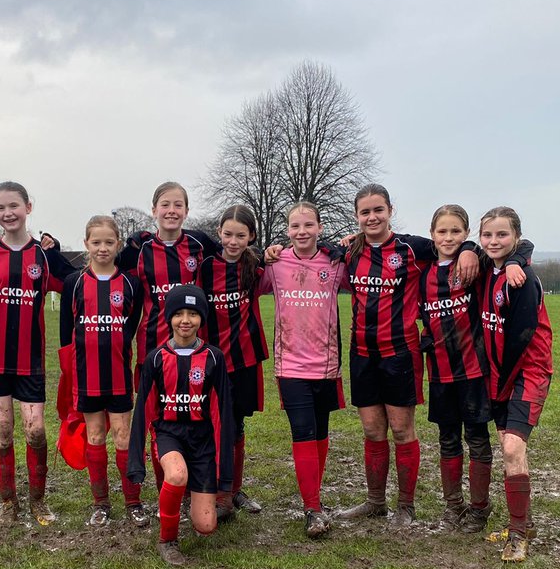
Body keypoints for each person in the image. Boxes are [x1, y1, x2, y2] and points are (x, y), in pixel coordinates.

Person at [337, 185, 478, 527]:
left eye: (378, 210)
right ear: (357, 216)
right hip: (361, 353)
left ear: (390, 210)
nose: (372, 217)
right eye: (365, 212)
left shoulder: (412, 248)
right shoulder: (350, 250)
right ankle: (374, 502)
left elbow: (452, 242)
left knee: (401, 430)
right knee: (372, 430)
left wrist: (471, 249)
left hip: (400, 353)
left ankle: (406, 506)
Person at [0, 181, 76, 525]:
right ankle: (7, 503)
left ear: (28, 207)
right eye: (0, 208)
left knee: (36, 430)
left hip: (30, 360)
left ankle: (38, 502)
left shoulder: (42, 256)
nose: (8, 213)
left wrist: (56, 252)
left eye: (14, 205)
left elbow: (75, 284)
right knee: (1, 428)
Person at [420, 204, 531, 533]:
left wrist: (510, 260)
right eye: (442, 231)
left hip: (473, 372)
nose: (449, 237)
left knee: (478, 440)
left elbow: (521, 246)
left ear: (467, 234)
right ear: (432, 235)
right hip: (440, 372)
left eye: (456, 231)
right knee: (448, 440)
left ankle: (479, 508)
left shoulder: (478, 264)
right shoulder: (424, 268)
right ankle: (453, 506)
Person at [117, 182, 221, 492]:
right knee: (158, 417)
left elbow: (234, 250)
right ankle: (169, 488)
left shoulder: (199, 247)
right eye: (165, 204)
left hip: (196, 349)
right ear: (154, 210)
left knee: (196, 413)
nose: (171, 210)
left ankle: (206, 486)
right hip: (153, 348)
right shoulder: (140, 250)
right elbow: (103, 264)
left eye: (178, 205)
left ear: (186, 211)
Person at [127, 285, 234, 566]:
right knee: (175, 475)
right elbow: (143, 412)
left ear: (202, 319)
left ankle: (195, 502)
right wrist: (135, 462)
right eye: (179, 314)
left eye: (193, 314)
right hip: (169, 433)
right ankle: (168, 541)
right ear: (169, 318)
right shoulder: (155, 359)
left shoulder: (213, 358)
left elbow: (222, 412)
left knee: (206, 526)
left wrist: (225, 470)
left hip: (202, 439)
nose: (185, 320)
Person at [259, 202, 346, 538]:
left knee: (321, 432)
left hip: (326, 365)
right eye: (295, 226)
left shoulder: (335, 262)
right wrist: (264, 253)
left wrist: (346, 245)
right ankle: (312, 509)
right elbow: (250, 281)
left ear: (320, 227)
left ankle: (315, 497)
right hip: (291, 365)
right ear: (287, 229)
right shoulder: (276, 263)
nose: (302, 232)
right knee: (303, 432)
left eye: (308, 225)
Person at [59, 215, 149, 527]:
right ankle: (101, 503)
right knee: (95, 435)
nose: (102, 248)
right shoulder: (74, 284)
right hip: (87, 378)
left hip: (119, 375)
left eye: (109, 242)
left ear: (118, 245)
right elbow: (65, 336)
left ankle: (134, 502)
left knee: (123, 436)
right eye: (96, 242)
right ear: (86, 244)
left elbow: (132, 323)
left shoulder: (129, 284)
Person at [478, 206, 553, 563]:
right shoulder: (485, 268)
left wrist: (519, 261)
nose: (494, 241)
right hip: (498, 372)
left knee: (511, 447)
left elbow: (522, 335)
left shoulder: (521, 279)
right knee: (508, 448)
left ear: (517, 238)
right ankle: (523, 522)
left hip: (526, 371)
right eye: (488, 235)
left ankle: (519, 534)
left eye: (502, 235)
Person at [199, 204, 269, 521]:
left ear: (251, 236)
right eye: (228, 234)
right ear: (219, 233)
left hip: (244, 360)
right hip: (211, 361)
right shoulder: (204, 268)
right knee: (212, 425)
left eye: (241, 235)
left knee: (236, 425)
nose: (233, 241)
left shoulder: (255, 268)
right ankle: (212, 490)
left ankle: (233, 490)